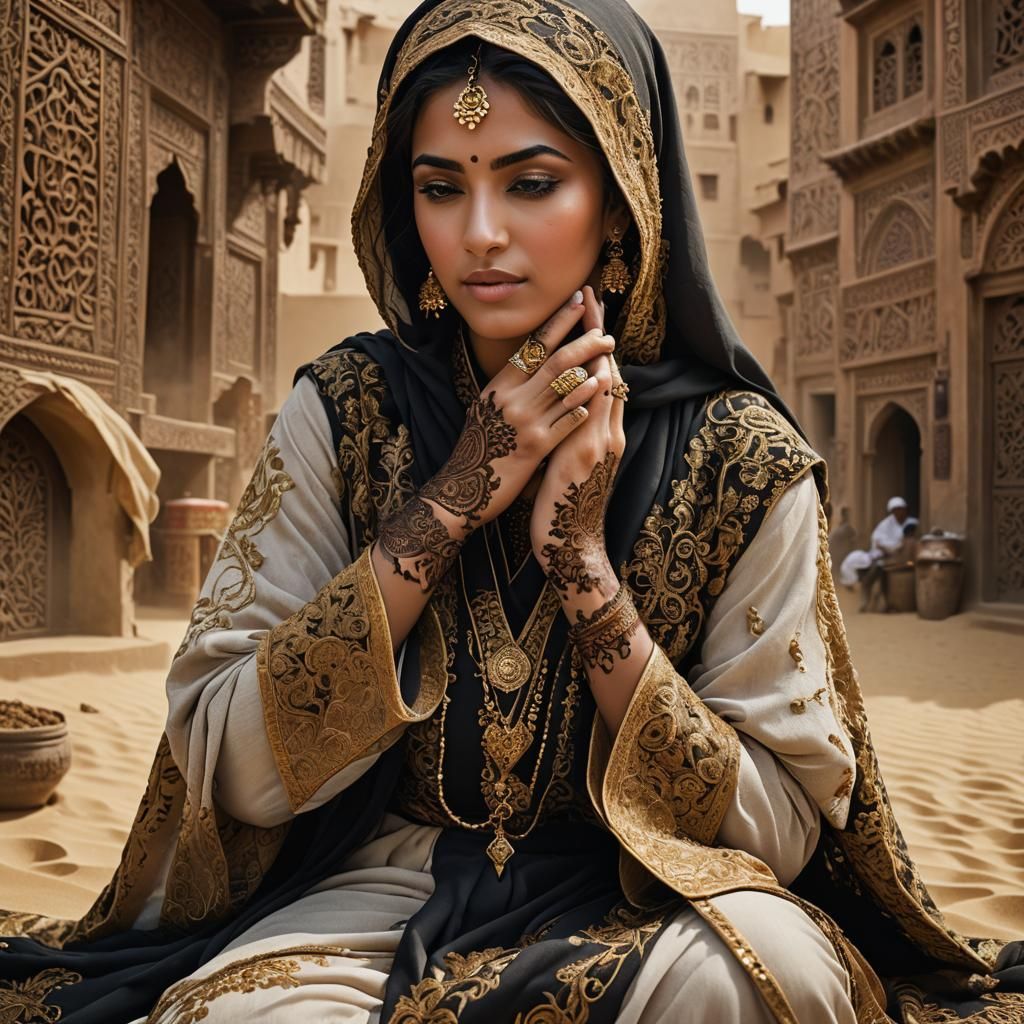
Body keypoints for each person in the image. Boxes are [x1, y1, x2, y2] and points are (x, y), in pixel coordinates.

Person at [2, 1, 1022, 1021]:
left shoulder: (739, 456)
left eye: (531, 184)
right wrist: (449, 500)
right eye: (441, 188)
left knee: (770, 983)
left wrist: (582, 563)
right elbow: (226, 767)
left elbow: (778, 832)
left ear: (619, 202)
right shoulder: (347, 412)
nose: (479, 235)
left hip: (653, 896)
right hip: (376, 887)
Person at [839, 497, 911, 612]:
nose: (899, 512)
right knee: (872, 574)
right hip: (881, 557)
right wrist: (888, 549)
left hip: (898, 558)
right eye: (896, 510)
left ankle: (881, 603)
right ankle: (867, 602)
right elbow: (878, 541)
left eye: (901, 509)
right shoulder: (886, 524)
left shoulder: (908, 524)